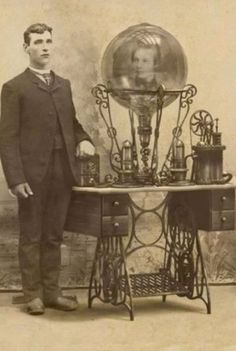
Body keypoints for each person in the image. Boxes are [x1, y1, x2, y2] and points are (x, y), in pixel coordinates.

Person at [0, 23, 95, 315]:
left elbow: (73, 123)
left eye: (48, 41)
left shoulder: (63, 84)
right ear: (26, 48)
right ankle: (33, 295)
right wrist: (16, 178)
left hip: (62, 172)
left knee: (54, 234)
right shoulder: (14, 87)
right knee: (32, 235)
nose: (44, 46)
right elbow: (7, 137)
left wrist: (84, 140)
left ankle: (52, 293)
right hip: (31, 176)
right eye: (38, 41)